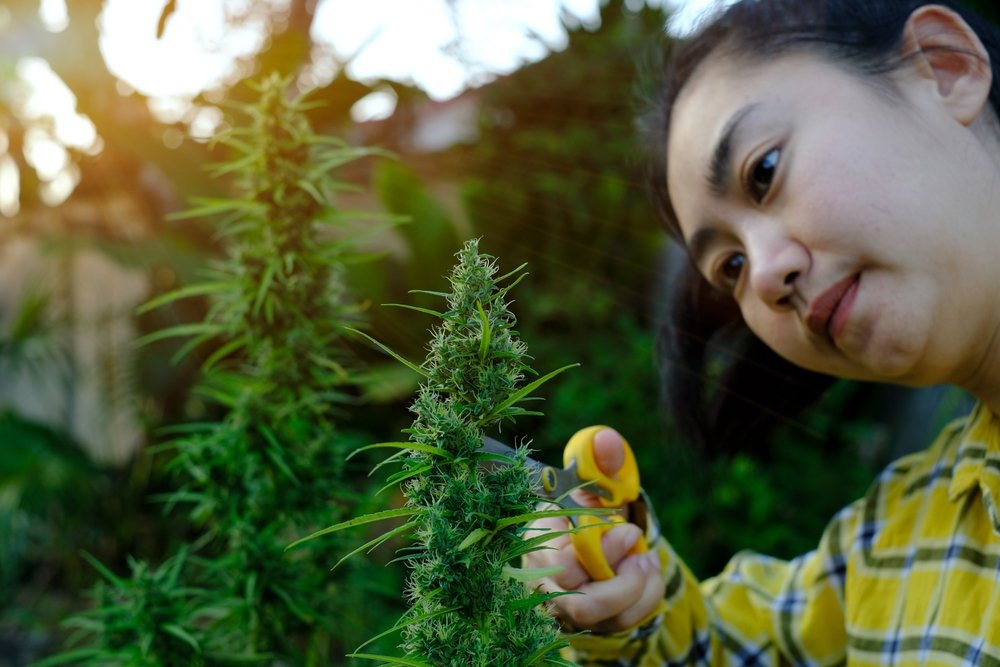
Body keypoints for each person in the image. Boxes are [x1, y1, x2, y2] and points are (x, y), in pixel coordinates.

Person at [523, 0, 1000, 664]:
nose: (767, 278)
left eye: (764, 171)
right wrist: (620, 582)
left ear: (943, 67)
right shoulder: (894, 537)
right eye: (731, 267)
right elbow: (727, 647)